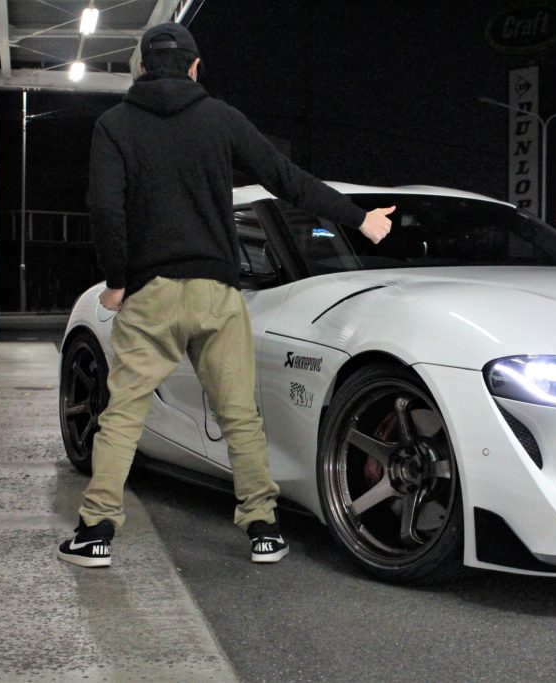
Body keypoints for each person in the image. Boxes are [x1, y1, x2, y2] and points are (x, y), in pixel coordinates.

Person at [57, 21, 394, 568]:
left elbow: (105, 206)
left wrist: (116, 280)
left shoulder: (114, 125)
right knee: (239, 414)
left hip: (150, 295)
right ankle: (264, 529)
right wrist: (360, 219)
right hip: (217, 293)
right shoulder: (221, 118)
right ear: (195, 67)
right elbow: (287, 180)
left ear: (140, 67)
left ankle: (95, 533)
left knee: (123, 413)